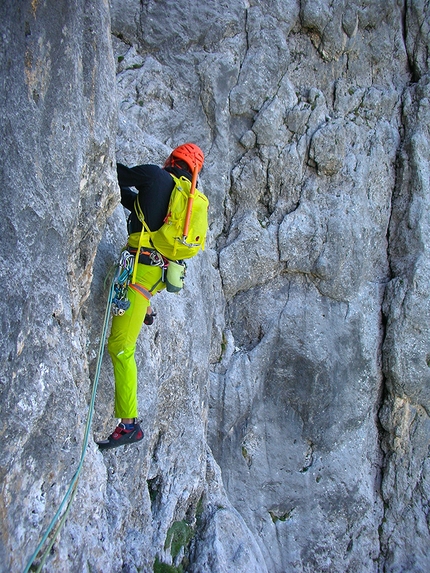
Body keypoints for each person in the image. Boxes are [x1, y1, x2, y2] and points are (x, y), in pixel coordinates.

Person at [97, 143, 205, 450]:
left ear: (172, 159)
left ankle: (129, 424)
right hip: (157, 274)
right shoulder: (182, 200)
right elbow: (138, 206)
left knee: (120, 346)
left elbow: (116, 176)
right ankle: (144, 309)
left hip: (141, 272)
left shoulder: (155, 176)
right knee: (131, 316)